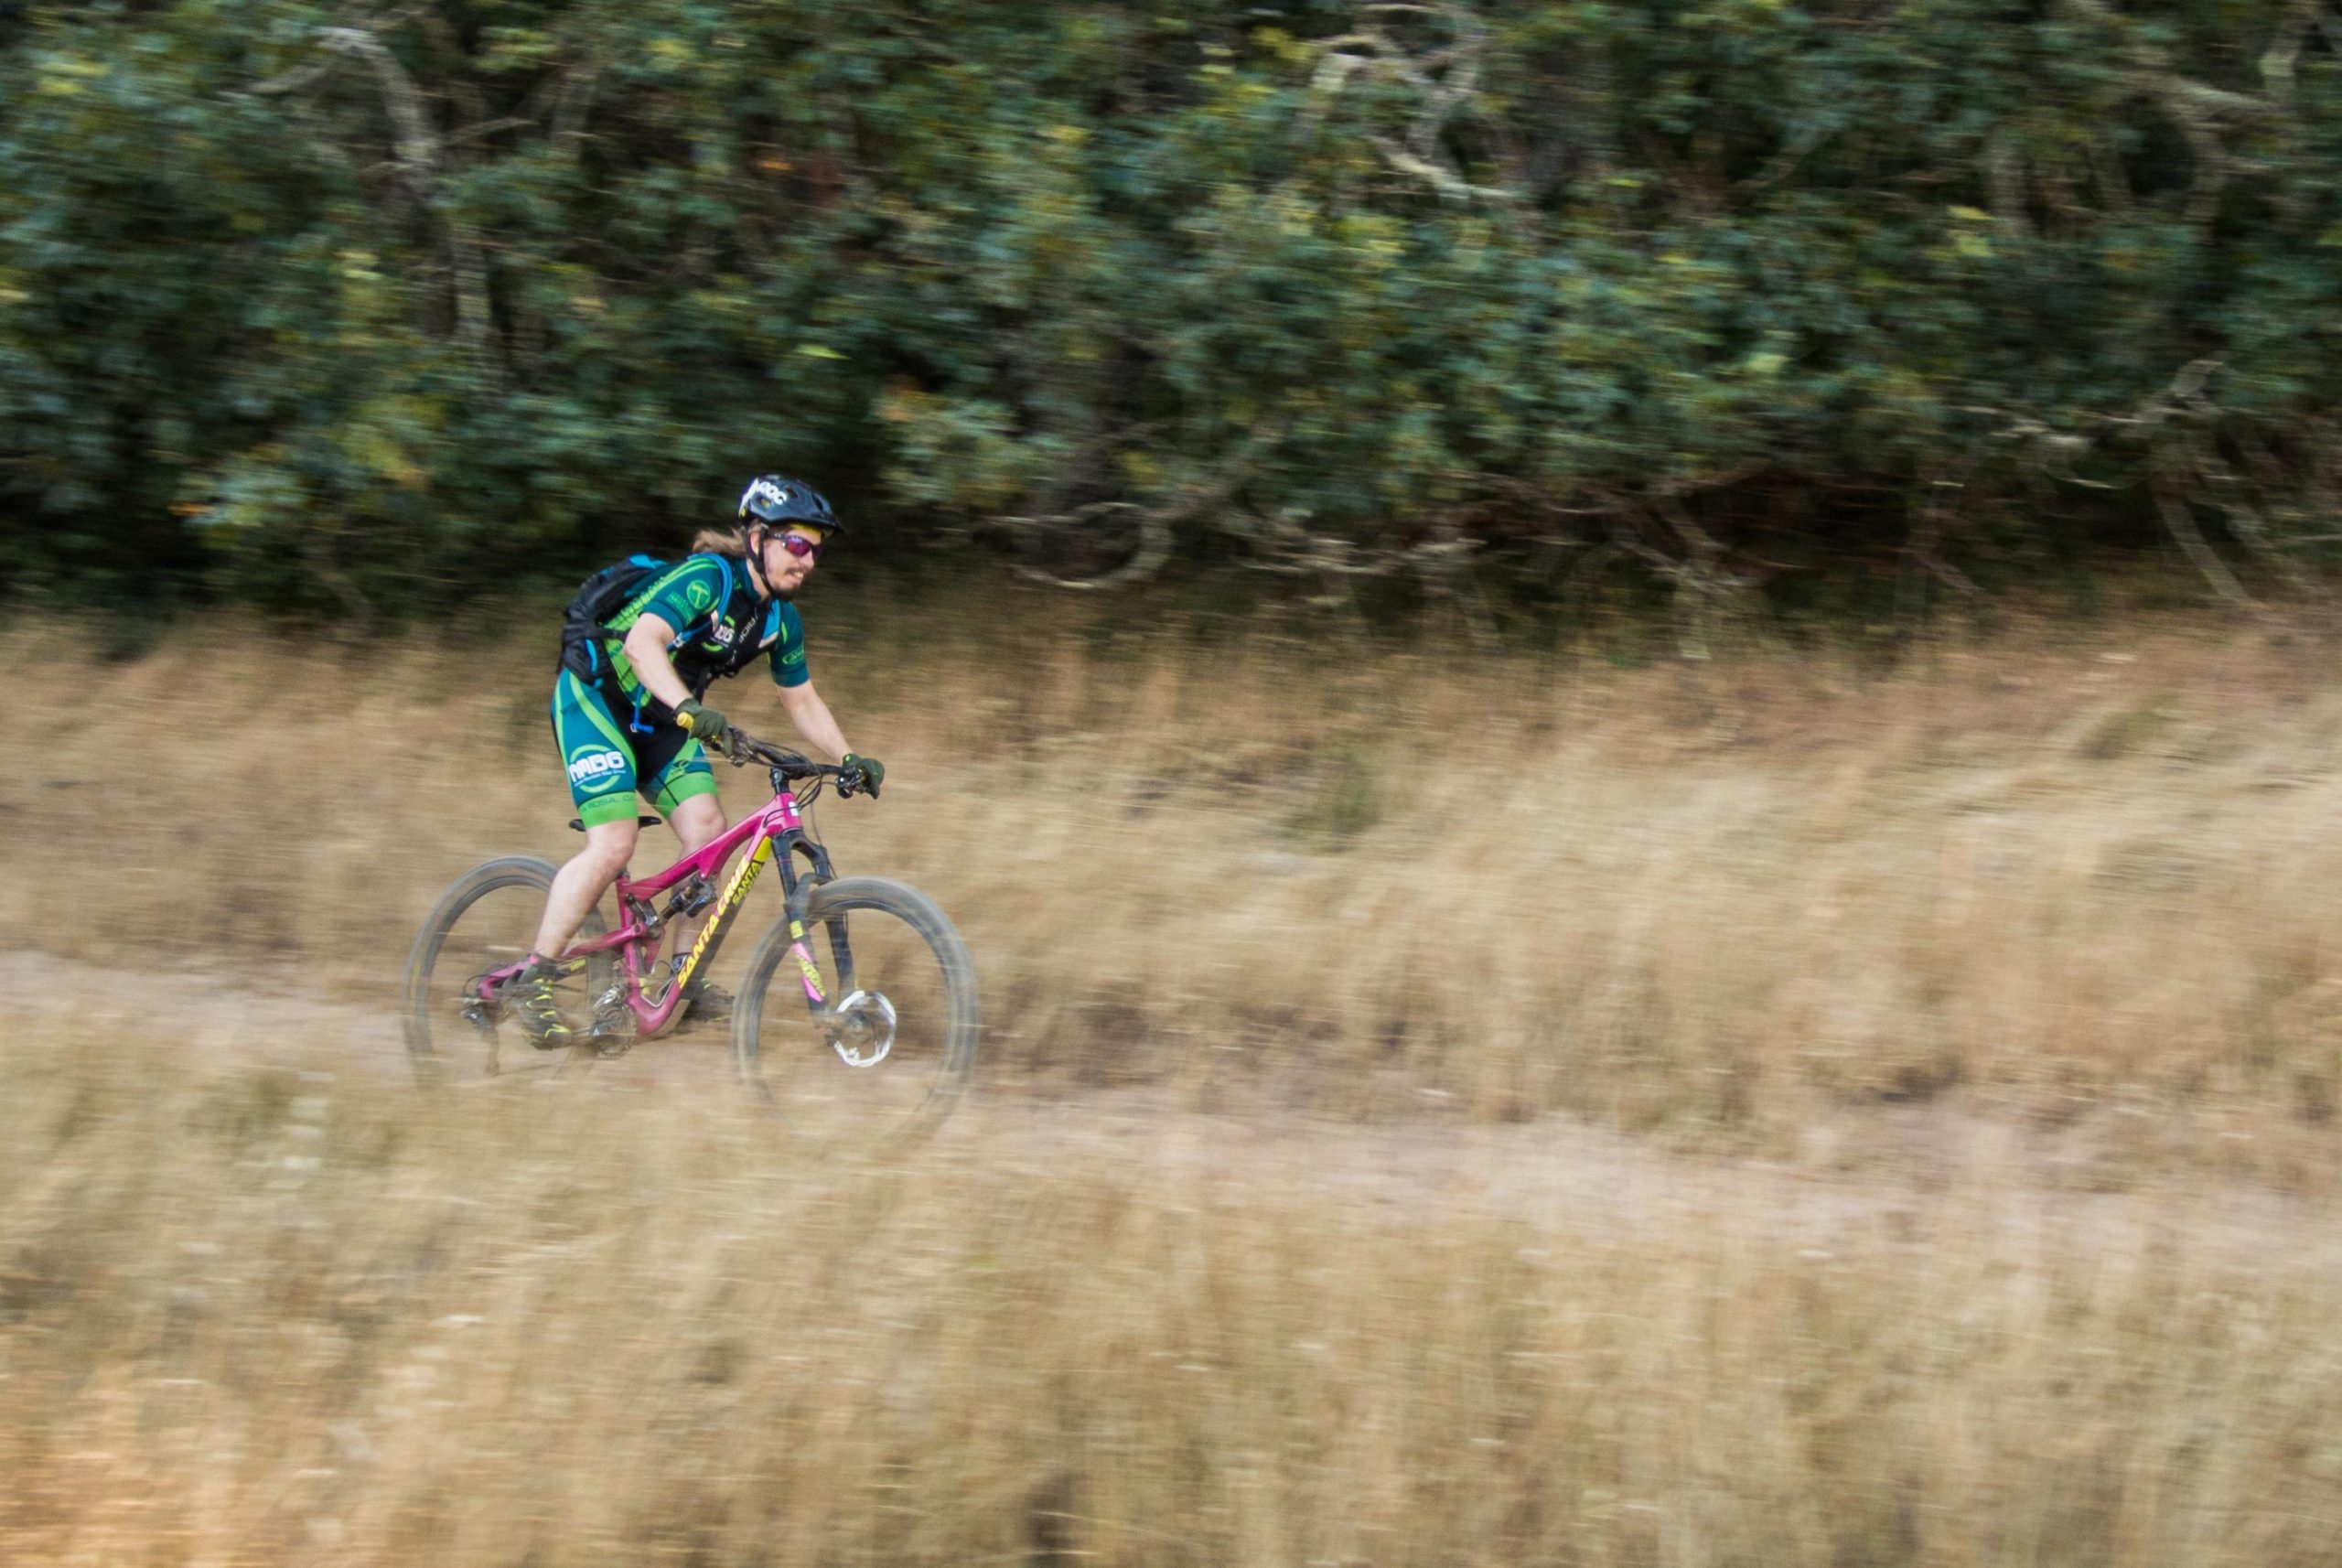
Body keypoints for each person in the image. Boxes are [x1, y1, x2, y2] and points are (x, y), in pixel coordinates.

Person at [506, 475, 884, 1044]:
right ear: (758, 537)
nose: (807, 559)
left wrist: (848, 756)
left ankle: (682, 979)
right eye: (797, 543)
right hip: (595, 701)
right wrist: (689, 708)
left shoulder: (780, 619)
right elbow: (641, 642)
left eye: (816, 548)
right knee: (613, 844)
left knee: (708, 829)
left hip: (663, 721)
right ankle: (532, 975)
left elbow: (801, 699)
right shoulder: (707, 578)